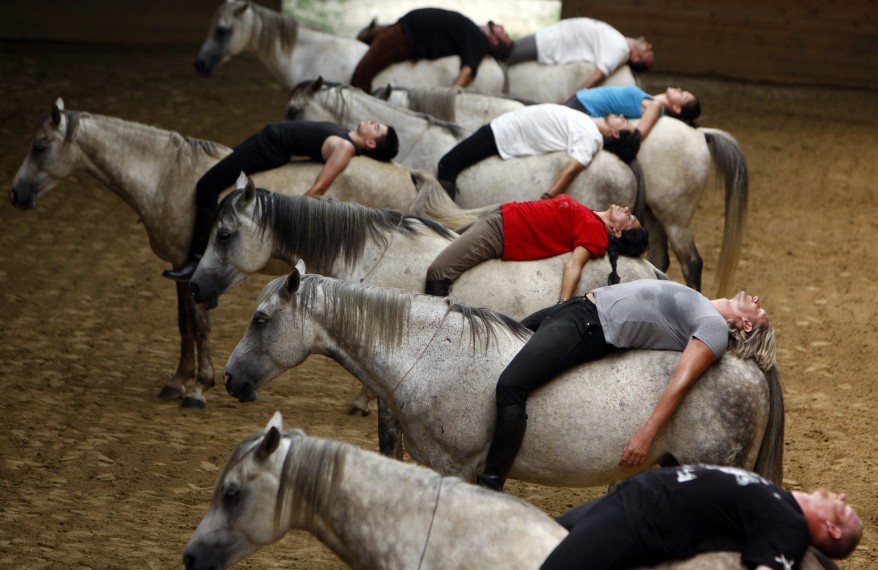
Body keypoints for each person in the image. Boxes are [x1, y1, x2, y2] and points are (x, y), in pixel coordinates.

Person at [477, 279, 776, 492]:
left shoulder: (713, 328)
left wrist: (646, 435)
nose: (758, 300)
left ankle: (491, 485)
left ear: (747, 325)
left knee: (510, 386)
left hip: (589, 326)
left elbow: (679, 382)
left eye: (759, 311)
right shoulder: (704, 306)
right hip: (577, 308)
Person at [162, 119, 399, 282]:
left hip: (268, 148)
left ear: (370, 143)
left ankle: (195, 260)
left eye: (377, 128)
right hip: (268, 139)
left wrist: (287, 216)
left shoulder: (345, 149)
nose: (372, 121)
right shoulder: (345, 134)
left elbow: (319, 187)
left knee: (207, 185)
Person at [540, 464, 863, 570]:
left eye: (846, 510)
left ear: (832, 530)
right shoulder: (782, 500)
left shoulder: (790, 528)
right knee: (538, 534)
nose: (844, 497)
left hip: (640, 520)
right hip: (627, 498)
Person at [424, 198, 647, 299]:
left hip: (499, 233)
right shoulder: (590, 216)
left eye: (630, 218)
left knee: (438, 272)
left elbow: (574, 265)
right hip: (499, 217)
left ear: (617, 232)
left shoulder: (596, 231)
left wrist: (561, 305)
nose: (627, 209)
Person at [436, 103, 640, 201]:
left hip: (503, 134)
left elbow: (573, 167)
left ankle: (443, 211)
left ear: (615, 134)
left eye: (624, 122)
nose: (622, 115)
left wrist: (547, 196)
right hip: (504, 128)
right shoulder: (588, 124)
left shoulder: (590, 136)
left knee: (447, 165)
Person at [352, 8, 514, 94]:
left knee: (362, 74)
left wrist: (447, 94)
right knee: (359, 40)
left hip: (400, 39)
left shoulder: (478, 41)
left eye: (504, 35)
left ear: (494, 41)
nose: (503, 28)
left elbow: (469, 69)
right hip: (398, 30)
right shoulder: (474, 34)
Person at [506, 17, 654, 93]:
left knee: (505, 53)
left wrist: (573, 98)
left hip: (548, 43)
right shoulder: (619, 41)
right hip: (551, 36)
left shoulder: (620, 51)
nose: (649, 46)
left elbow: (600, 74)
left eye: (648, 53)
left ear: (634, 57)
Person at [564, 85, 701, 140]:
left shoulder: (655, 105)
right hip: (582, 101)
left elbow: (638, 135)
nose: (678, 89)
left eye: (682, 94)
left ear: (677, 108)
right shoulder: (651, 101)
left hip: (584, 107)